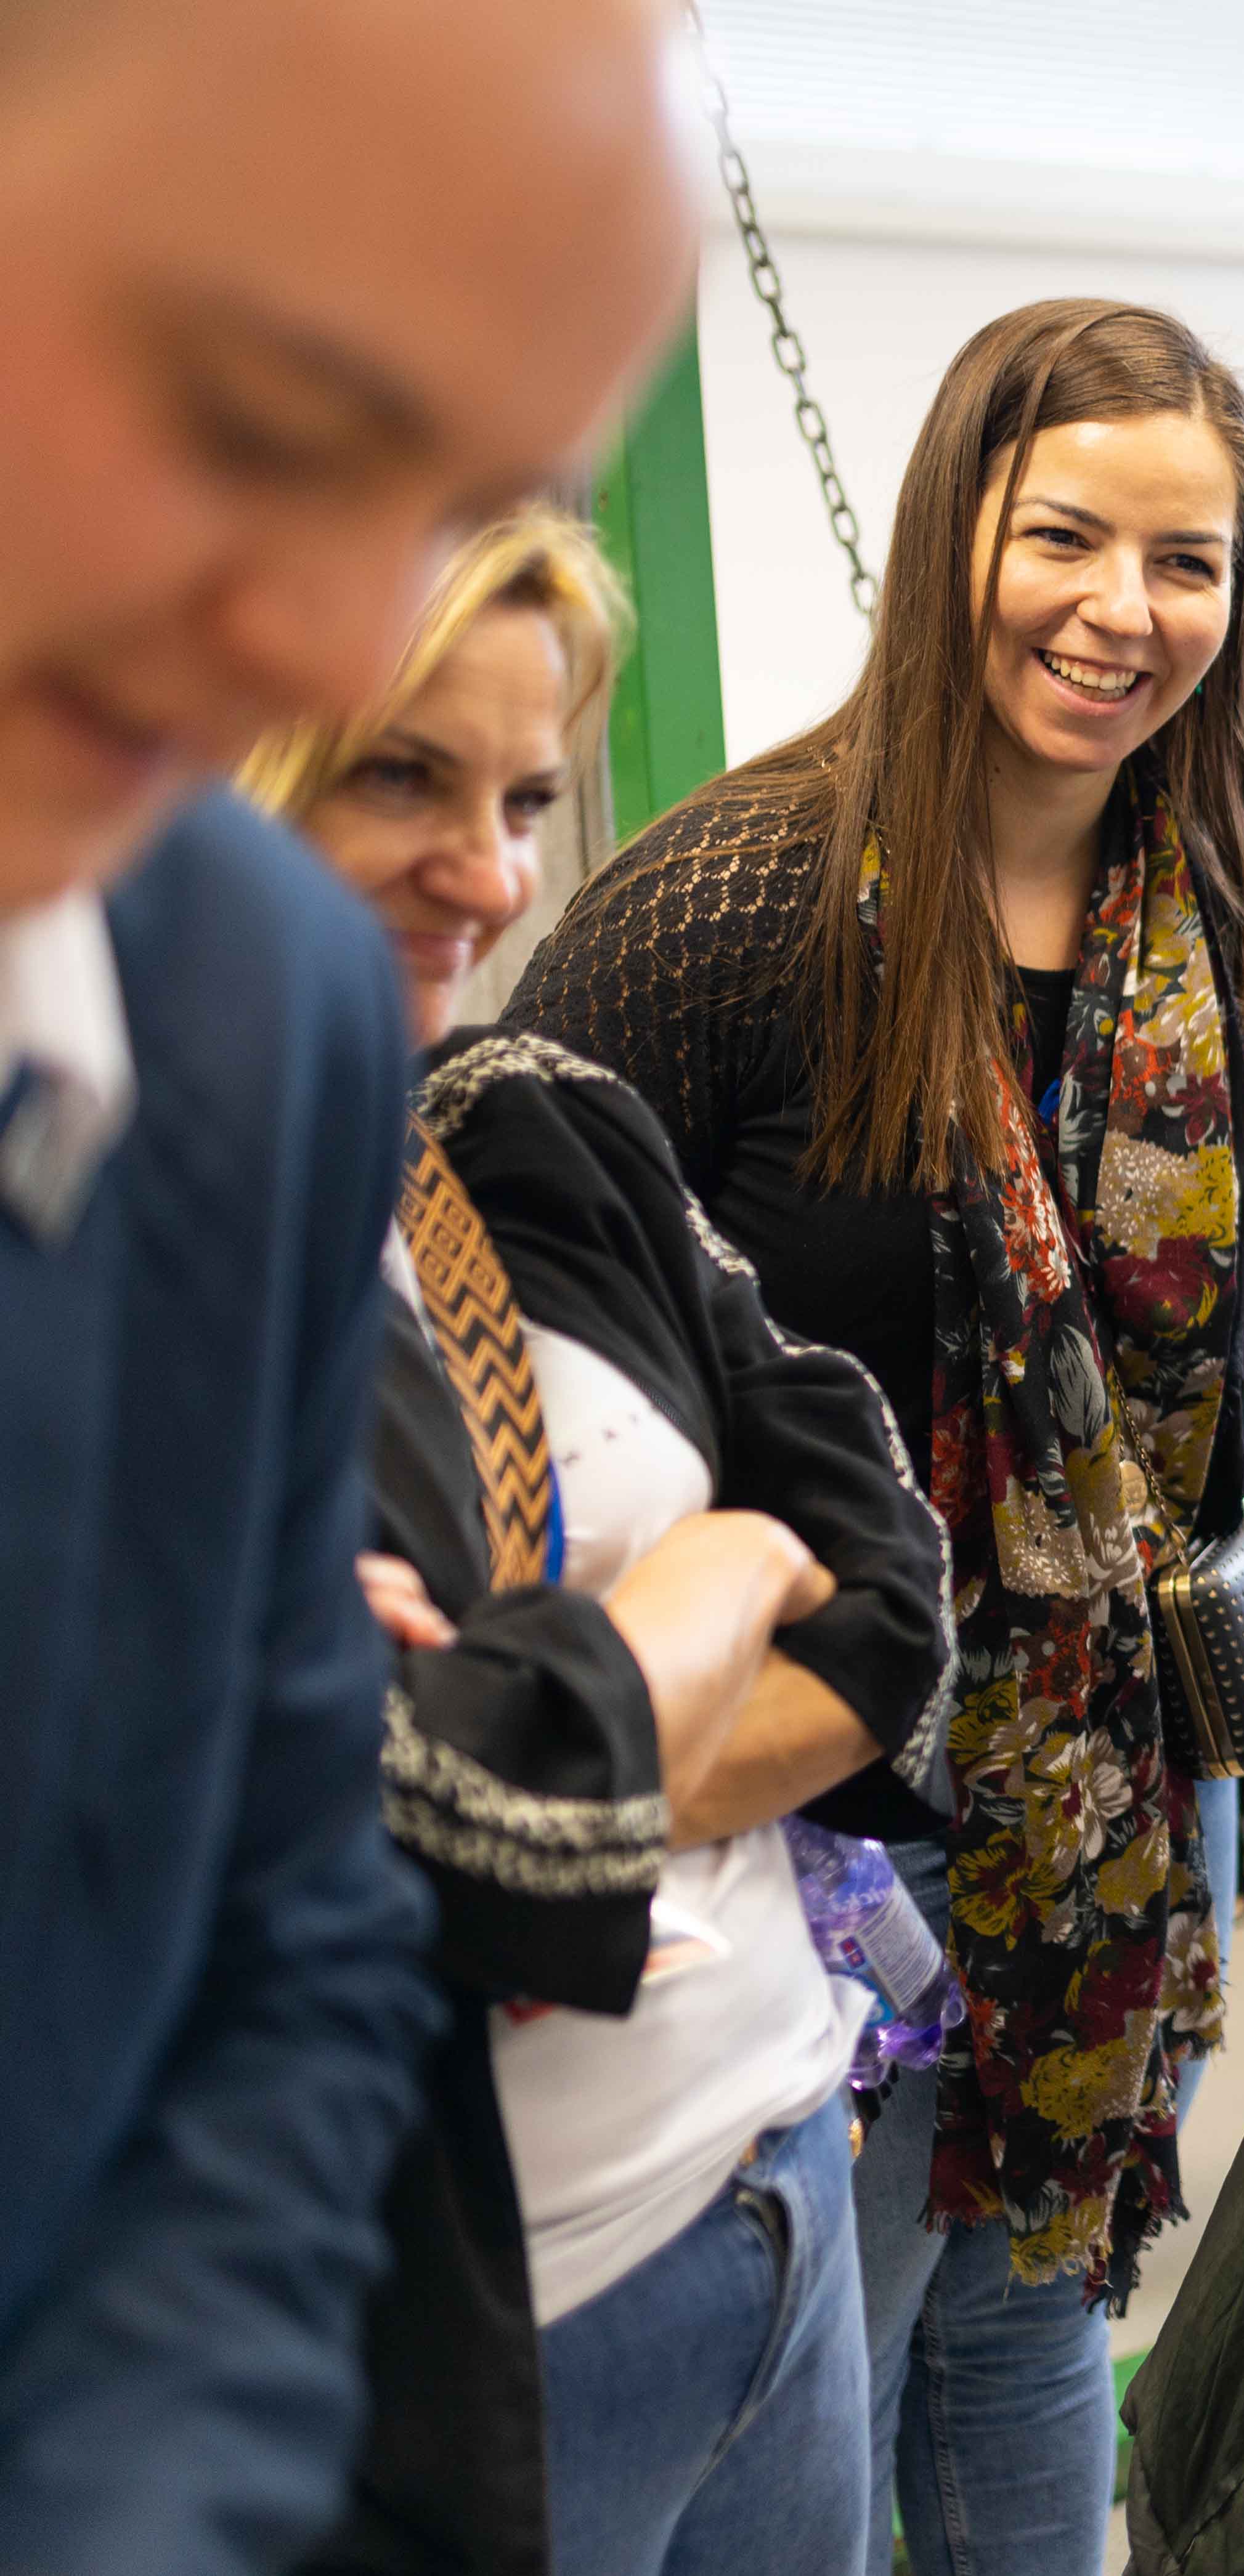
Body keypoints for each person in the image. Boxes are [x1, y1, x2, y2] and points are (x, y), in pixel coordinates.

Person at [507, 299, 1244, 2576]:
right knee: (818, 2413)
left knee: (1035, 2338)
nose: (1124, 611)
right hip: (821, 1829)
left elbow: (1200, 1393)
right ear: (957, 523)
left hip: (1109, 1809)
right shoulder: (730, 905)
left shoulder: (1206, 901)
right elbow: (513, 1342)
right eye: (1065, 538)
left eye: (1187, 562)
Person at [0, 2, 699, 2566]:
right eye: (260, 418)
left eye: (451, 507)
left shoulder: (250, 1010)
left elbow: (274, 1932)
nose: (322, 642)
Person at [254, 509, 953, 2576]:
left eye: (521, 799)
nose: (491, 876)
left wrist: (569, 1741)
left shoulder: (514, 1124)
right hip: (458, 2342)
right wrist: (720, 1578)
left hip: (770, 2170)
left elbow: (888, 1572)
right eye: (401, 776)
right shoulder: (133, 1253)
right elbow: (435, 1842)